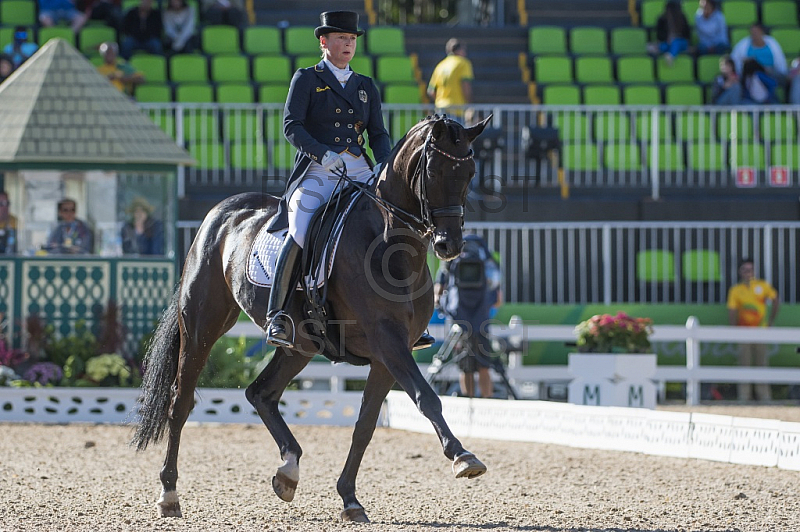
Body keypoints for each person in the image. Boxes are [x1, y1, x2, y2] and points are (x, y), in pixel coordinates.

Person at [263, 10, 392, 348]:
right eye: (341, 38)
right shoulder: (307, 78)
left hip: (359, 168)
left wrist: (386, 165)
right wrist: (322, 153)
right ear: (324, 42)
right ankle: (277, 314)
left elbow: (378, 133)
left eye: (351, 39)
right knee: (301, 226)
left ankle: (408, 311)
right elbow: (292, 126)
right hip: (319, 167)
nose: (348, 43)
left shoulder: (365, 85)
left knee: (397, 219)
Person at [434, 233, 502, 398]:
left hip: (461, 319)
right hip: (480, 320)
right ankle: (486, 402)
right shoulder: (488, 261)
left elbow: (438, 294)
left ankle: (473, 402)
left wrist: (442, 301)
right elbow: (497, 299)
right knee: (480, 366)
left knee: (466, 368)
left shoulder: (449, 262)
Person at [727, 258, 780, 402]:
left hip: (761, 331)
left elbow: (775, 300)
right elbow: (732, 310)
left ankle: (764, 396)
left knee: (762, 363)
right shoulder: (736, 290)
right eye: (745, 270)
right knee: (744, 363)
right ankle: (744, 396)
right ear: (740, 272)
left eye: (750, 269)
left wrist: (770, 321)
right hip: (743, 331)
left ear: (754, 271)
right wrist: (734, 329)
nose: (748, 273)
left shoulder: (762, 286)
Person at [427, 38, 473, 118]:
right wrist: (468, 104)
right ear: (459, 50)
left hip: (440, 109)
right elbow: (465, 84)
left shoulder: (440, 65)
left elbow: (431, 91)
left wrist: (440, 101)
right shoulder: (463, 63)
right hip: (456, 108)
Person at [646, 0, 691, 66]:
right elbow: (659, 36)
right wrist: (667, 38)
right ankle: (669, 53)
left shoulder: (682, 18)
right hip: (667, 42)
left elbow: (687, 34)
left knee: (675, 42)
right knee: (663, 46)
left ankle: (671, 56)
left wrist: (676, 37)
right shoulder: (661, 19)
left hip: (681, 42)